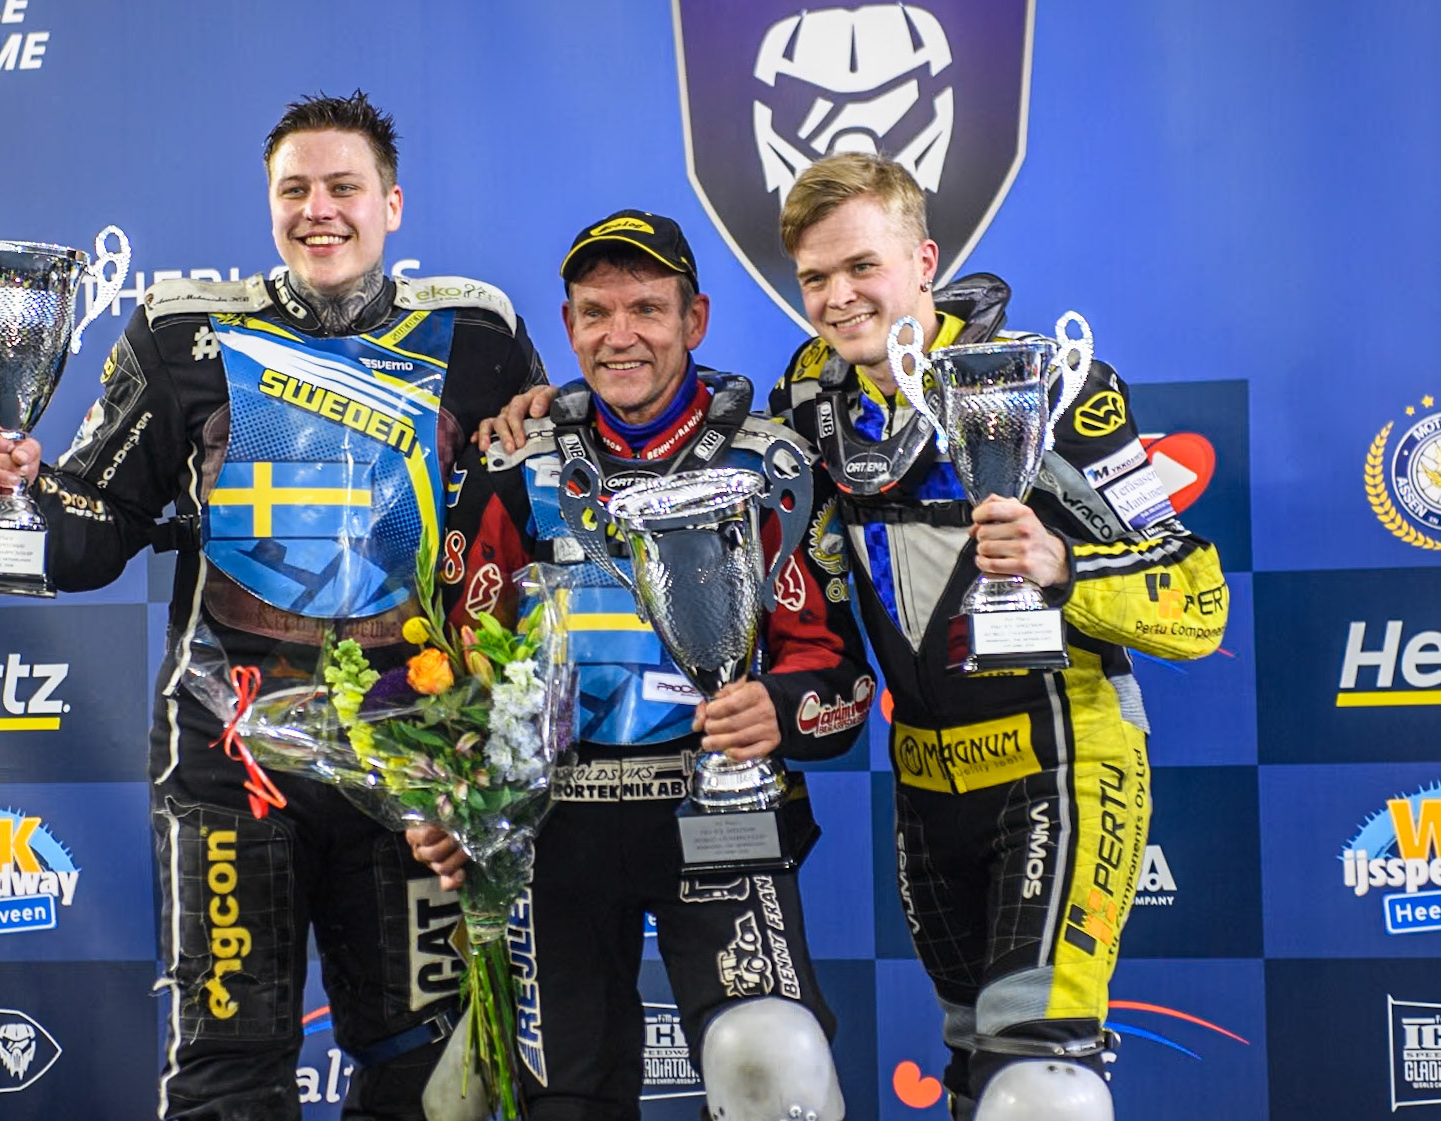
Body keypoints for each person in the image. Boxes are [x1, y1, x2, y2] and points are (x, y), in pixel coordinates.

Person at [0, 92, 547, 1121]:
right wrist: (16, 490)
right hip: (233, 761)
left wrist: (495, 749)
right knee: (228, 1068)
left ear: (392, 204)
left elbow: (524, 530)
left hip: (414, 759)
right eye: (295, 190)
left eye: (344, 187)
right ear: (269, 203)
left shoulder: (480, 333)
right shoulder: (184, 331)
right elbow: (97, 528)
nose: (320, 210)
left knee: (431, 1074)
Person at [766, 153, 1229, 1121]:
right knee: (979, 1072)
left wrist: (1062, 566)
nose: (839, 297)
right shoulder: (804, 402)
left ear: (924, 260)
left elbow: (1197, 599)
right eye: (815, 277)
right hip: (926, 786)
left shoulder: (1048, 384)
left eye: (862, 266)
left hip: (1064, 765)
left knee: (1038, 1079)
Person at [408, 210, 874, 1121]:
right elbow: (457, 660)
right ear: (568, 324)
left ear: (695, 318)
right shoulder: (515, 459)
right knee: (559, 1102)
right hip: (555, 826)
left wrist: (779, 705)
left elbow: (838, 673)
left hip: (720, 813)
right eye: (595, 312)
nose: (619, 335)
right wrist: (450, 793)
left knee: (774, 1066)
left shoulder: (772, 462)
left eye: (647, 310)